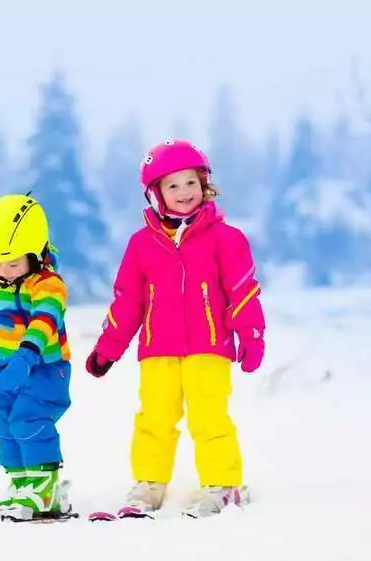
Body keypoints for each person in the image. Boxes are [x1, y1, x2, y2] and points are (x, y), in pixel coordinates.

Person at [85, 139, 266, 519]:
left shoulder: (226, 239)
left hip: (209, 347)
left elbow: (243, 291)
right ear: (155, 194)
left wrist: (250, 335)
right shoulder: (141, 246)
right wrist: (108, 348)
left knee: (209, 418)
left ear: (204, 185)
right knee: (154, 418)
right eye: (173, 185)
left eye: (191, 183)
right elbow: (127, 302)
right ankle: (150, 482)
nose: (184, 192)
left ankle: (223, 483)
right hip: (158, 350)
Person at [0, 193, 73, 521]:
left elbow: (46, 321)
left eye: (12, 263)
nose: (3, 271)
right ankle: (22, 483)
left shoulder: (48, 284)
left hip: (46, 369)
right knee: (4, 424)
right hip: (7, 369)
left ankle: (44, 486)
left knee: (29, 420)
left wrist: (27, 355)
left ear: (35, 254)